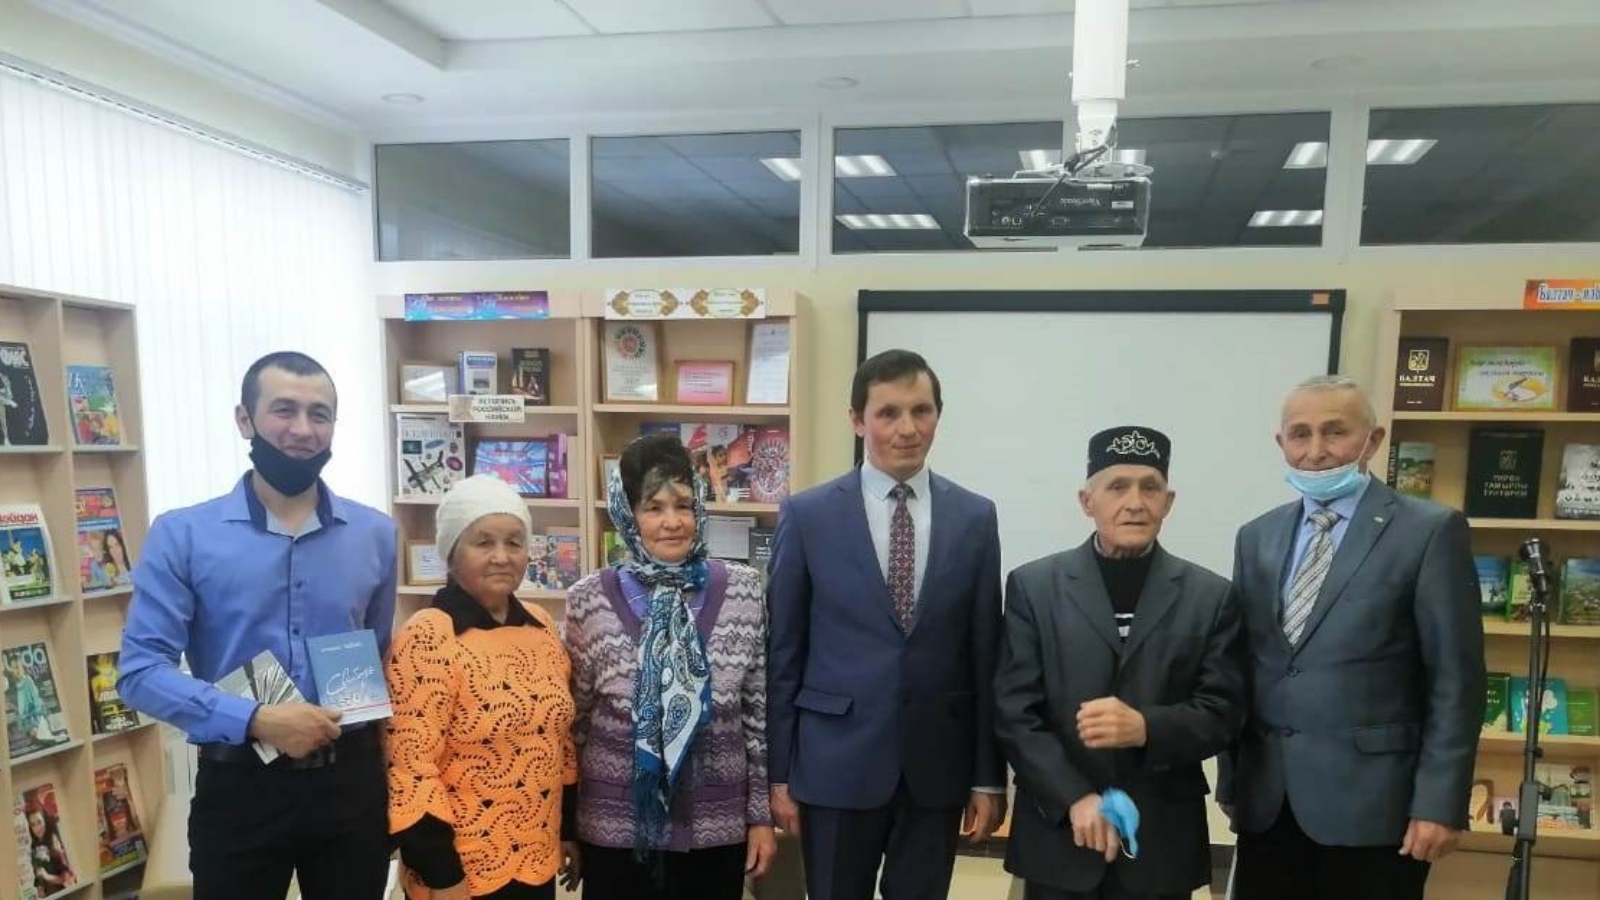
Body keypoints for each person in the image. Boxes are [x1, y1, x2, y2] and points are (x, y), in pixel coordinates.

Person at [119, 351, 397, 900]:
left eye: (320, 414)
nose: (303, 430)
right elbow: (140, 672)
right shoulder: (183, 535)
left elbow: (378, 652)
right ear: (244, 419)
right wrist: (256, 719)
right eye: (284, 410)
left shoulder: (376, 534)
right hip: (239, 786)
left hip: (350, 786)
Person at [1220, 375, 1485, 900]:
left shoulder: (1429, 532)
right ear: (1281, 443)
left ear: (1373, 439)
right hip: (1269, 806)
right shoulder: (1256, 537)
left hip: (1376, 810)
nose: (1316, 450)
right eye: (1300, 434)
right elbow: (1242, 667)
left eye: (1335, 431)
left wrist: (1439, 802)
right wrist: (1232, 782)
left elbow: (1456, 679)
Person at [766, 349, 1005, 900]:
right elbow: (784, 653)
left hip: (936, 768)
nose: (907, 428)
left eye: (921, 411)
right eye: (888, 413)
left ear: (938, 416)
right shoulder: (808, 515)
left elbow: (985, 651)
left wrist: (988, 776)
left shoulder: (975, 517)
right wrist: (779, 775)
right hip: (834, 765)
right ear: (857, 420)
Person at [996, 426, 1244, 900]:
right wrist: (1073, 796)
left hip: (1161, 841)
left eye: (1150, 487)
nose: (1135, 503)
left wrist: (1146, 727)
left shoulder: (1210, 597)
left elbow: (1224, 713)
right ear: (1087, 501)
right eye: (1117, 487)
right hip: (1060, 833)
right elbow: (1015, 711)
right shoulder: (1035, 587)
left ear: (1168, 502)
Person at [563, 434, 776, 900]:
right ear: (627, 513)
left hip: (716, 827)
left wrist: (760, 816)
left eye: (683, 505)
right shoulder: (588, 600)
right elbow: (574, 724)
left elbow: (757, 717)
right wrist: (565, 827)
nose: (672, 522)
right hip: (615, 828)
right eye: (653, 508)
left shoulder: (743, 591)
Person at [386, 474, 580, 900]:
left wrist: (567, 830)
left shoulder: (541, 625)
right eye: (483, 542)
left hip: (537, 859)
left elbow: (559, 743)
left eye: (514, 542)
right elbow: (411, 771)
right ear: (452, 552)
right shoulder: (428, 636)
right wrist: (442, 876)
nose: (501, 557)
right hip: (460, 870)